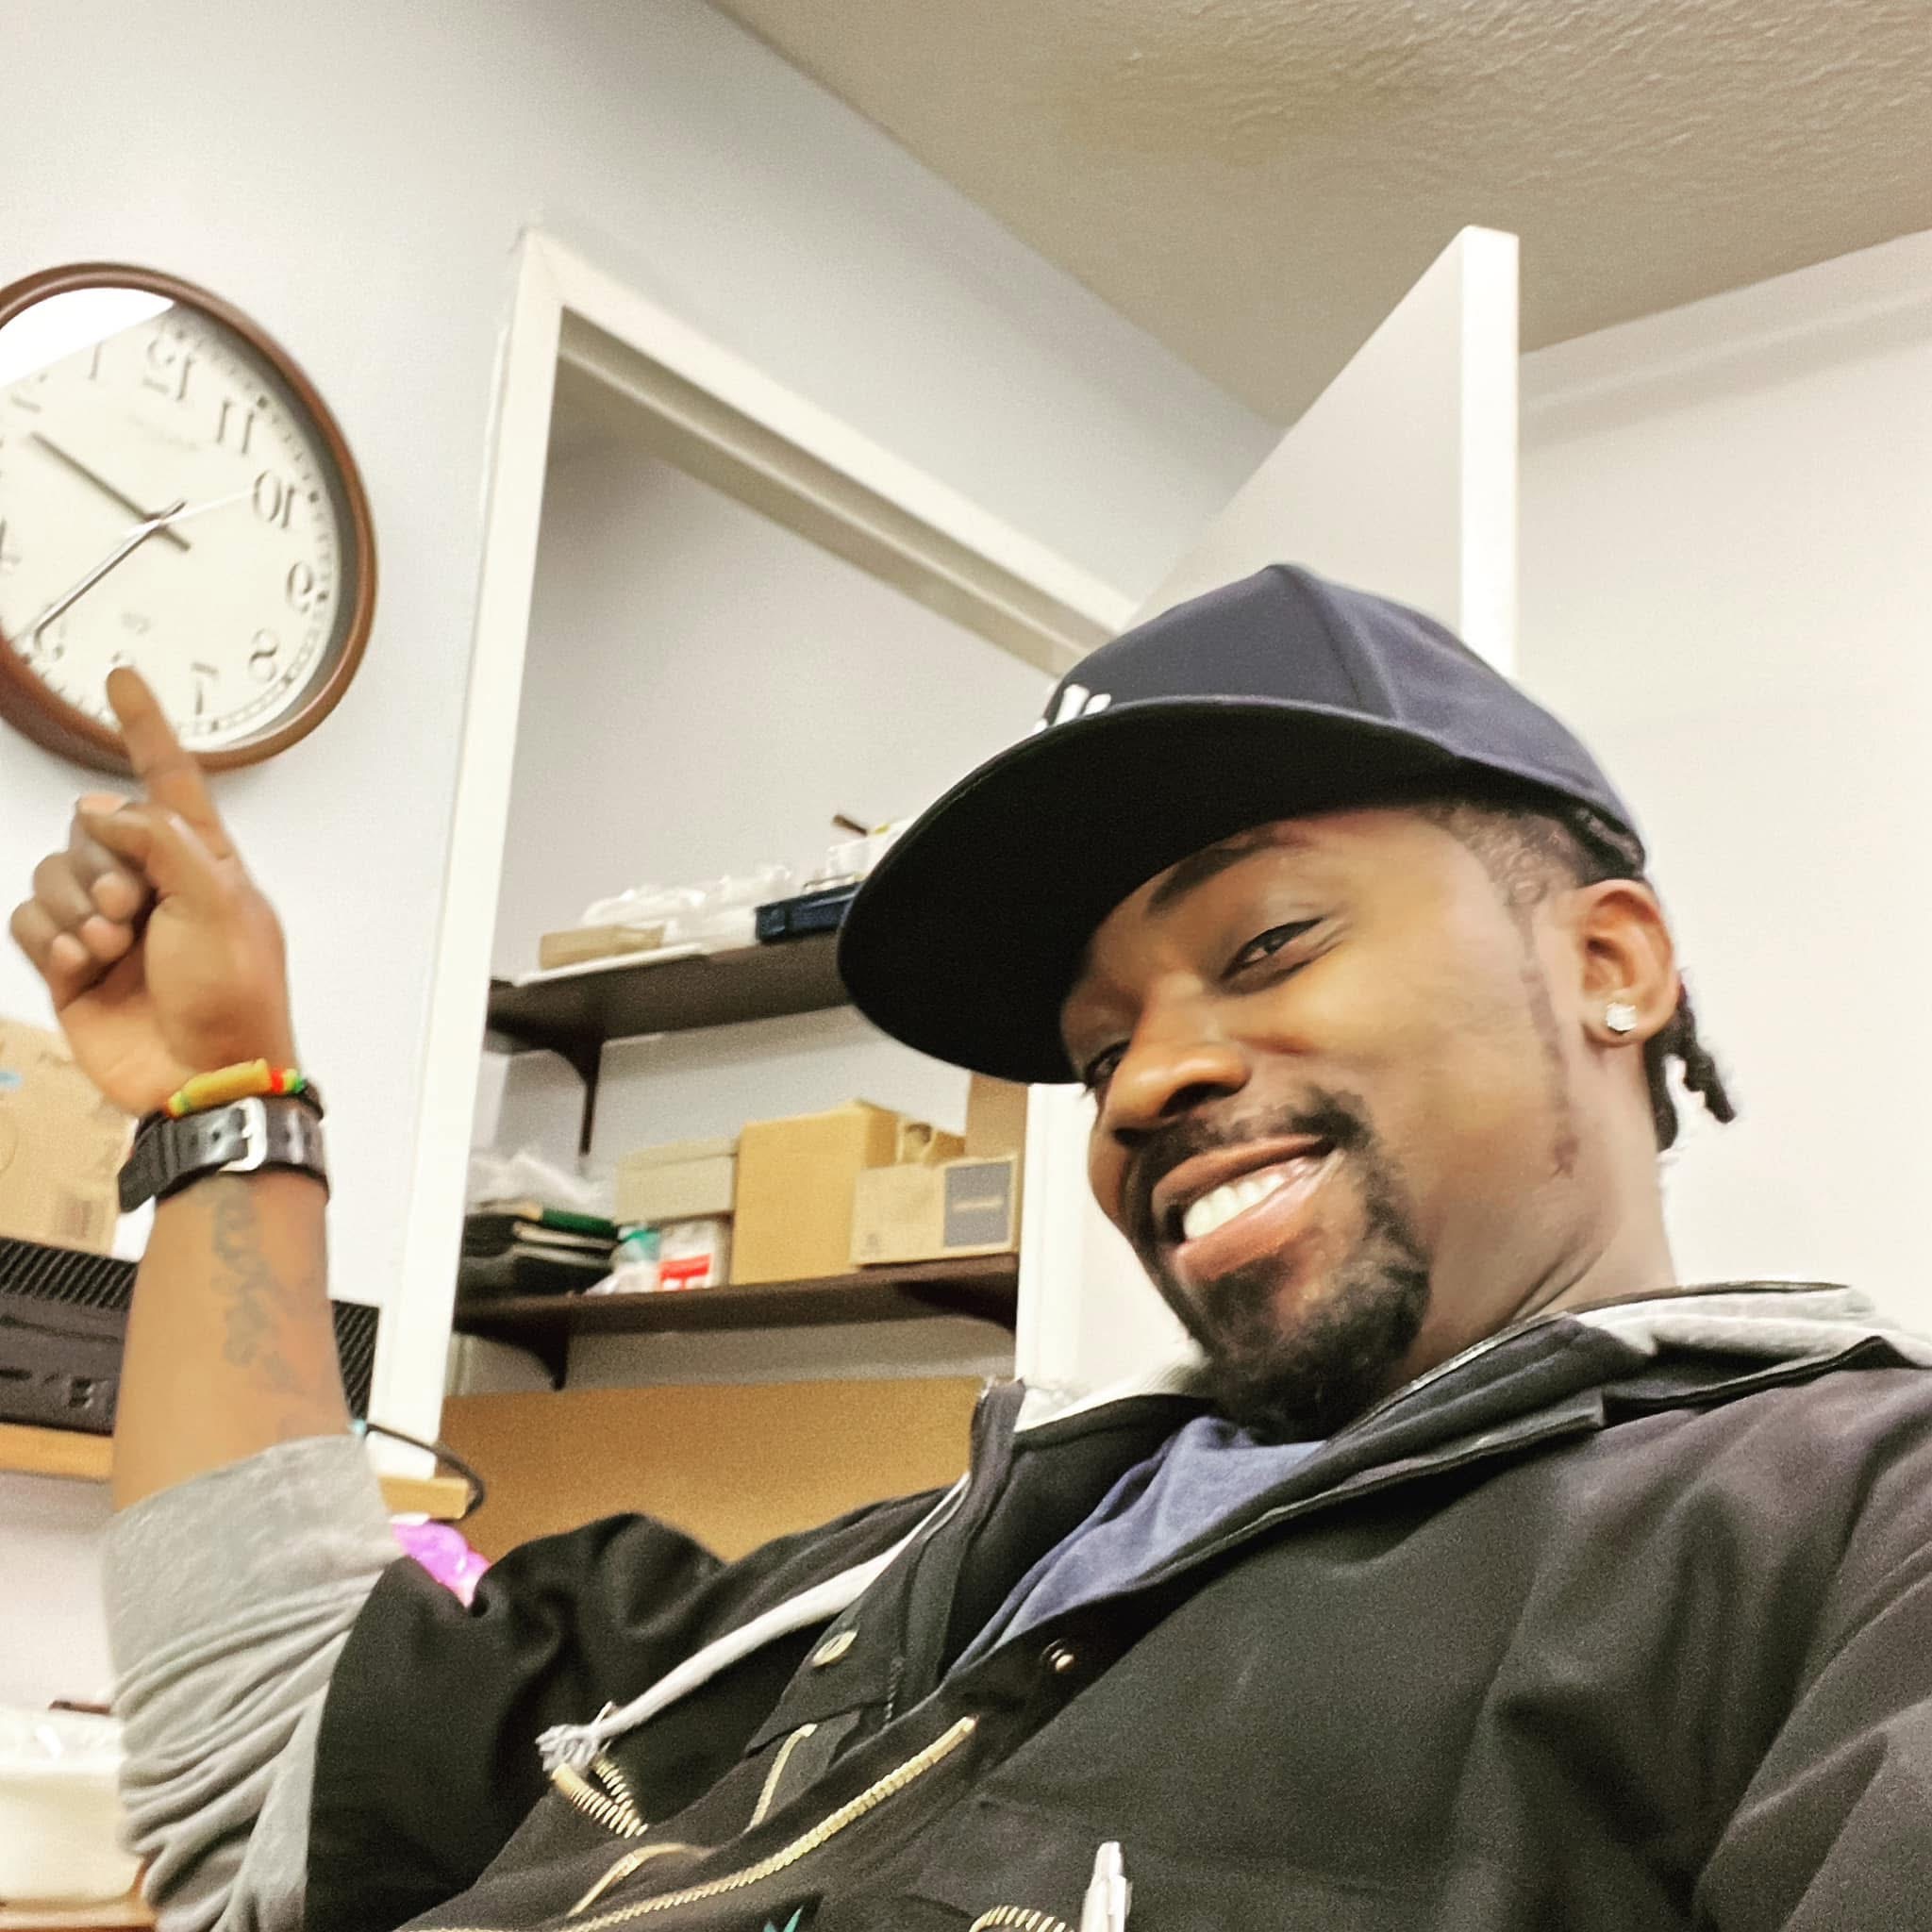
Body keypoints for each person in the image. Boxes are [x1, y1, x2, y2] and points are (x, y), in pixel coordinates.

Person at [12, 566, 1932, 1932]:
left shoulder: (1846, 1537)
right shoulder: (888, 1579)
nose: (1144, 1082)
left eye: (1265, 943)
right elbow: (271, 1759)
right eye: (1096, 1051)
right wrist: (228, 1100)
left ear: (1609, 963)